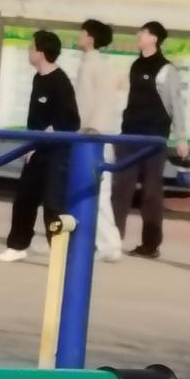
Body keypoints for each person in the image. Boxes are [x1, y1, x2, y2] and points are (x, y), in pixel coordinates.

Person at [111, 21, 190, 260]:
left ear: (154, 38)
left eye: (143, 33)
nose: (139, 35)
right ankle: (112, 240)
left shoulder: (166, 69)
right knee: (121, 189)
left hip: (154, 138)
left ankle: (150, 245)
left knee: (151, 192)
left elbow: (176, 104)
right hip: (129, 135)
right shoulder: (136, 64)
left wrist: (181, 137)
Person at [0, 30, 79, 263]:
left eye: (31, 47)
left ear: (41, 52)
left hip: (57, 152)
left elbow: (71, 121)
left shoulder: (60, 82)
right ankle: (17, 245)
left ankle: (63, 252)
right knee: (24, 199)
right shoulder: (39, 78)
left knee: (53, 203)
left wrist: (48, 133)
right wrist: (31, 145)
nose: (28, 51)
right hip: (36, 148)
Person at [76, 19, 125, 262]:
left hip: (94, 137)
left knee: (99, 192)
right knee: (91, 192)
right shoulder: (88, 64)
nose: (79, 37)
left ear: (91, 38)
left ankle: (109, 245)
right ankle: (101, 243)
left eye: (83, 33)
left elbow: (104, 103)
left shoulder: (99, 67)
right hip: (86, 136)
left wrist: (93, 130)